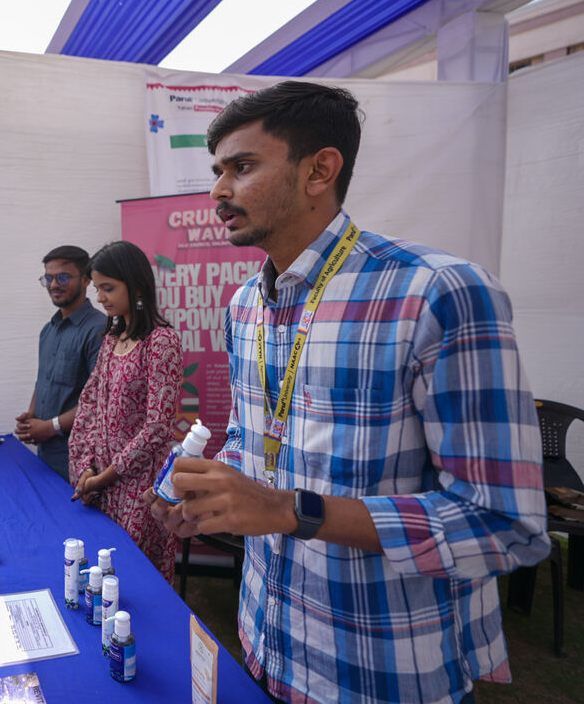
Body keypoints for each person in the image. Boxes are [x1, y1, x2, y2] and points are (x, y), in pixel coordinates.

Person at [146, 81, 548, 703]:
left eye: (242, 167)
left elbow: (502, 522)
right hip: (265, 646)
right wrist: (208, 492)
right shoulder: (245, 305)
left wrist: (291, 510)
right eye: (217, 171)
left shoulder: (436, 293)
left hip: (379, 675)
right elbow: (257, 449)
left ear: (319, 171)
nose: (219, 191)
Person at [69, 240, 183, 582]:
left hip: (139, 487)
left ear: (136, 286)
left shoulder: (161, 342)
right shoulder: (112, 339)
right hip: (103, 484)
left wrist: (106, 476)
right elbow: (90, 405)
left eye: (108, 288)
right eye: (97, 289)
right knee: (101, 578)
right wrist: (86, 468)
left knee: (133, 579)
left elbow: (158, 427)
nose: (100, 298)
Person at [15, 245, 106, 480]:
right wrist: (31, 416)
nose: (54, 285)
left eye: (63, 277)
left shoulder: (99, 330)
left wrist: (49, 427)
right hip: (45, 455)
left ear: (85, 279)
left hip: (80, 460)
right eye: (48, 278)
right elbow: (43, 379)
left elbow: (100, 401)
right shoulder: (48, 330)